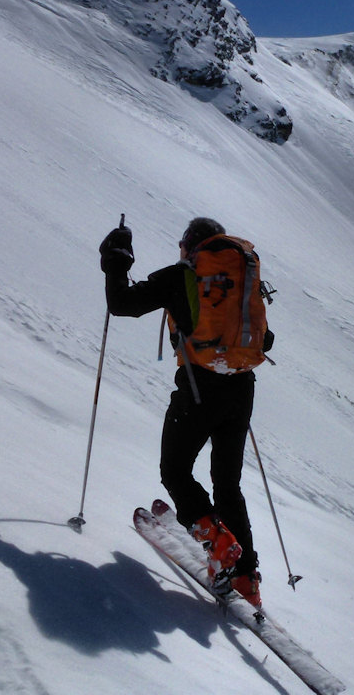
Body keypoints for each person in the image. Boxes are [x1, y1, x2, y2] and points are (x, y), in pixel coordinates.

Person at [99, 216, 264, 605]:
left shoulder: (181, 276)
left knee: (174, 471)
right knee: (228, 485)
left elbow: (121, 304)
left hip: (198, 387)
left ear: (191, 246)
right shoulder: (242, 278)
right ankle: (245, 578)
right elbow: (265, 337)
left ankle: (218, 542)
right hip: (240, 387)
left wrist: (115, 259)